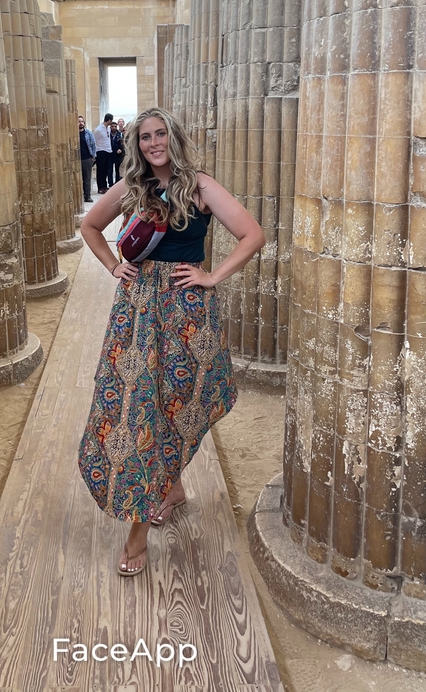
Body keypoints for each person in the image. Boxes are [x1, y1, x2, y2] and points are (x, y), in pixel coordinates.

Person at [78, 107, 266, 576]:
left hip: (186, 311)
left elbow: (252, 234)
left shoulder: (199, 185)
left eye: (161, 134)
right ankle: (139, 530)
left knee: (175, 401)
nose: (154, 143)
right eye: (145, 137)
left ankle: (172, 487)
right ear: (136, 144)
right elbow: (90, 227)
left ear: (173, 137)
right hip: (138, 309)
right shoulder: (133, 187)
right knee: (138, 405)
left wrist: (211, 275)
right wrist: (112, 266)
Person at [93, 111, 114, 194]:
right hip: (100, 151)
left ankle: (104, 186)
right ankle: (100, 187)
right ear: (109, 120)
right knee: (100, 170)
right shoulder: (98, 129)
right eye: (111, 120)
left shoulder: (108, 128)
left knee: (106, 169)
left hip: (108, 150)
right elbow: (94, 141)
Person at [78, 114, 96, 203]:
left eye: (82, 121)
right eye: (79, 121)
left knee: (87, 178)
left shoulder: (88, 133)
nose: (81, 123)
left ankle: (87, 196)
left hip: (86, 158)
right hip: (76, 159)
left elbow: (93, 145)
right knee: (77, 178)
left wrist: (93, 156)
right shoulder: (73, 134)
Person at [109, 120, 123, 185]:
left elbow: (122, 143)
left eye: (115, 126)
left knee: (117, 170)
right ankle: (110, 183)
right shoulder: (108, 134)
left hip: (117, 154)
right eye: (112, 126)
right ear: (110, 127)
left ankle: (117, 183)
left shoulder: (119, 134)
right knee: (110, 170)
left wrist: (120, 149)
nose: (114, 128)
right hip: (110, 153)